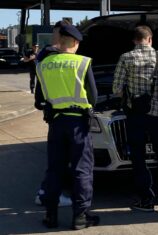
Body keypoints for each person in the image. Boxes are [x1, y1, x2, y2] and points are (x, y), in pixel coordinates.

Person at [35, 24, 99, 230]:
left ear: (60, 42)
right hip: (78, 124)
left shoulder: (43, 65)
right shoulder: (82, 62)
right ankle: (80, 217)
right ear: (76, 43)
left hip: (56, 124)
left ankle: (50, 215)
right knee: (82, 169)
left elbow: (39, 100)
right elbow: (94, 97)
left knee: (55, 169)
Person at [113, 25, 158, 212]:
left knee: (138, 156)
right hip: (157, 112)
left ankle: (146, 198)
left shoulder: (126, 57)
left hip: (135, 114)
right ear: (150, 39)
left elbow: (116, 88)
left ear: (134, 40)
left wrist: (129, 95)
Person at [34, 20, 73, 208]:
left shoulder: (45, 54)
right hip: (60, 113)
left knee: (58, 158)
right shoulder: (51, 54)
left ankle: (46, 192)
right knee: (59, 159)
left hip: (54, 112)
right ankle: (47, 193)